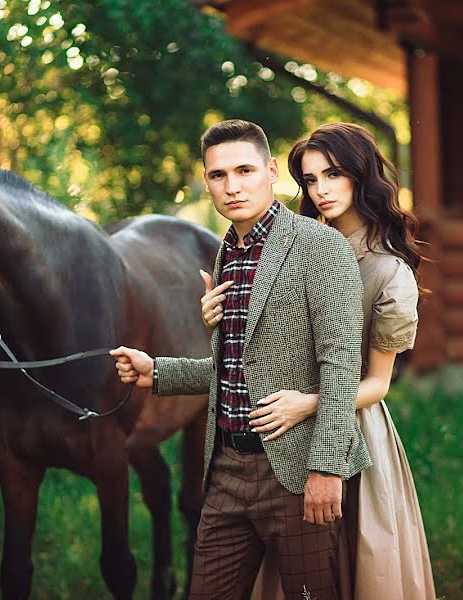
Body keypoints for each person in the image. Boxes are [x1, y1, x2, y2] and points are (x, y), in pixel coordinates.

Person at [110, 119, 370, 600]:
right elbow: (236, 370)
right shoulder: (225, 253)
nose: (232, 187)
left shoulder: (320, 246)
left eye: (245, 170)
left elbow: (340, 364)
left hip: (295, 471)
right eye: (217, 175)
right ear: (206, 181)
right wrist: (157, 371)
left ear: (272, 172)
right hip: (226, 471)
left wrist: (326, 469)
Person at [200, 122, 436, 599]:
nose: (321, 190)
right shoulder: (294, 244)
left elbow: (377, 384)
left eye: (334, 175)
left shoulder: (387, 272)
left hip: (348, 426)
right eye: (310, 179)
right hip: (277, 435)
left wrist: (308, 405)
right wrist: (220, 326)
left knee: (356, 568)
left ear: (361, 177)